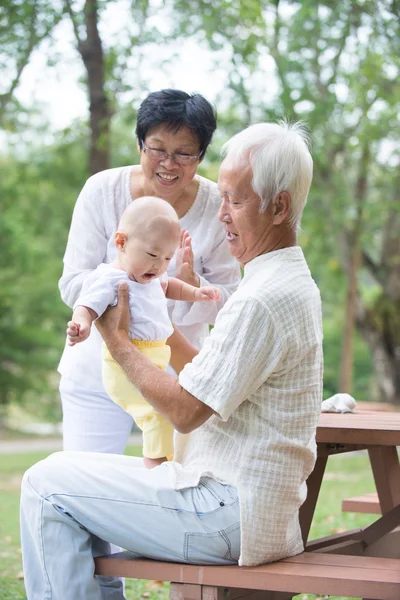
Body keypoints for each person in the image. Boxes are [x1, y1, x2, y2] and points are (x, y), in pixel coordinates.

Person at [20, 121, 323, 600]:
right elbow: (206, 372)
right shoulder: (284, 282)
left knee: (44, 484)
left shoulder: (261, 298)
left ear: (279, 206)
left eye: (235, 200)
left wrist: (117, 339)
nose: (220, 214)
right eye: (220, 198)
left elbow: (184, 412)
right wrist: (153, 317)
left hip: (226, 514)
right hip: (241, 505)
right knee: (66, 474)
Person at [58, 88, 241, 454]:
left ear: (201, 155)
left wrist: (193, 287)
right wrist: (120, 292)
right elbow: (72, 282)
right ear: (140, 144)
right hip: (97, 368)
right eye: (157, 148)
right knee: (85, 483)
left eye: (184, 153)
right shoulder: (102, 191)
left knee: (172, 483)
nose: (169, 164)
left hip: (178, 376)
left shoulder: (218, 208)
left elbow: (231, 299)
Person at [66, 197, 220, 468]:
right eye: (152, 255)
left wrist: (196, 293)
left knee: (169, 416)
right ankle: (155, 470)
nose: (158, 265)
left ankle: (168, 462)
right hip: (123, 367)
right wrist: (83, 324)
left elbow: (169, 285)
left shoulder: (151, 275)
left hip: (154, 360)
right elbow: (86, 304)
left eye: (167, 258)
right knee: (156, 415)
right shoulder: (113, 278)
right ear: (121, 242)